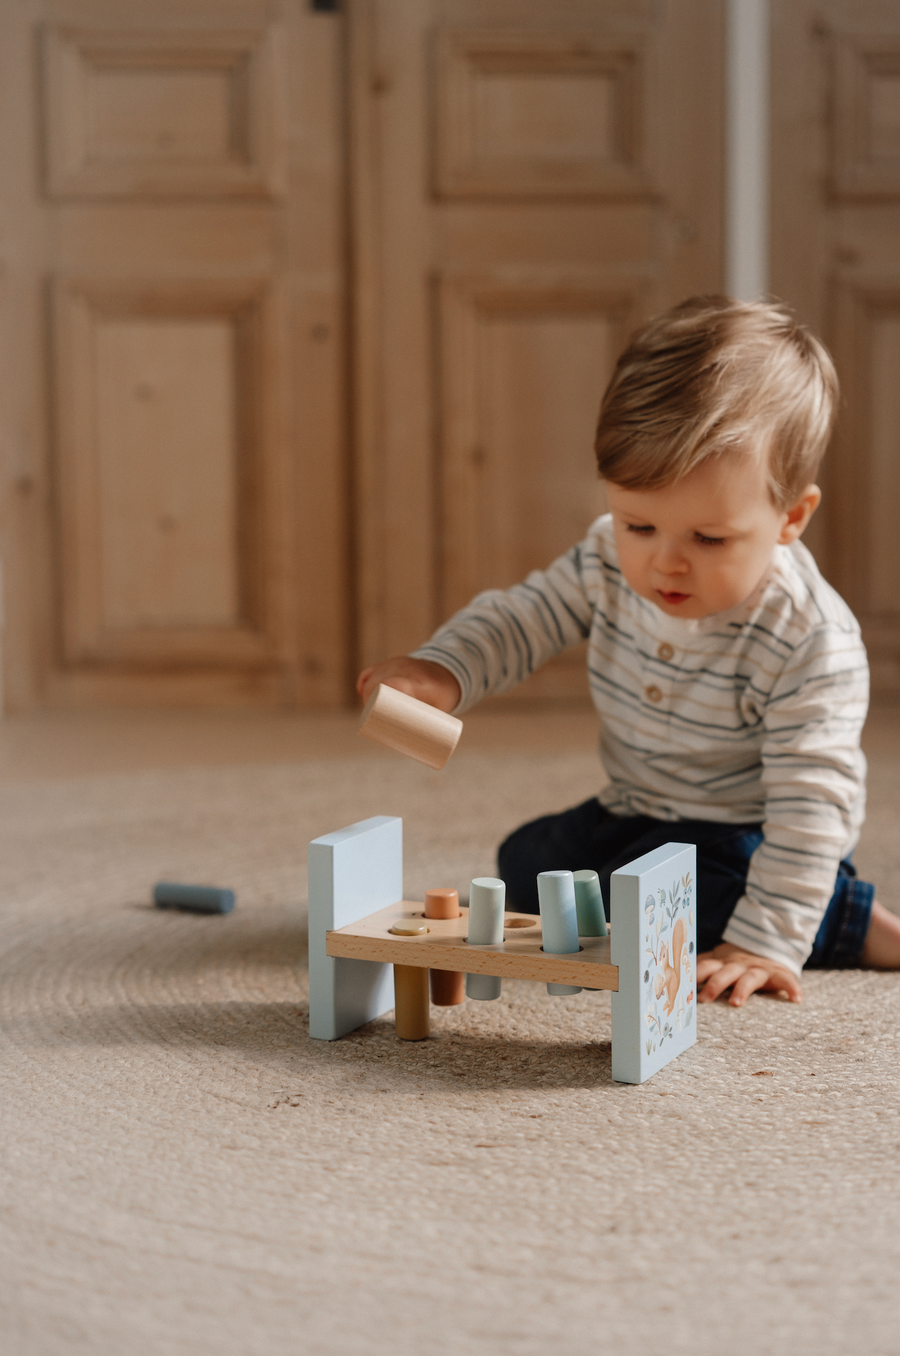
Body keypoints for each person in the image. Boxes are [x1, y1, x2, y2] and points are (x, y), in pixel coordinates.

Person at [357, 296, 900, 1007]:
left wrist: (764, 940)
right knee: (527, 868)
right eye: (639, 523)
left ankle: (847, 921)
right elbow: (527, 616)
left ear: (790, 517)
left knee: (671, 914)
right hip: (638, 806)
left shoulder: (809, 639)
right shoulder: (610, 559)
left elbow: (813, 804)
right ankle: (700, 893)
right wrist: (442, 670)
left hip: (748, 838)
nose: (665, 564)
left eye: (708, 540)